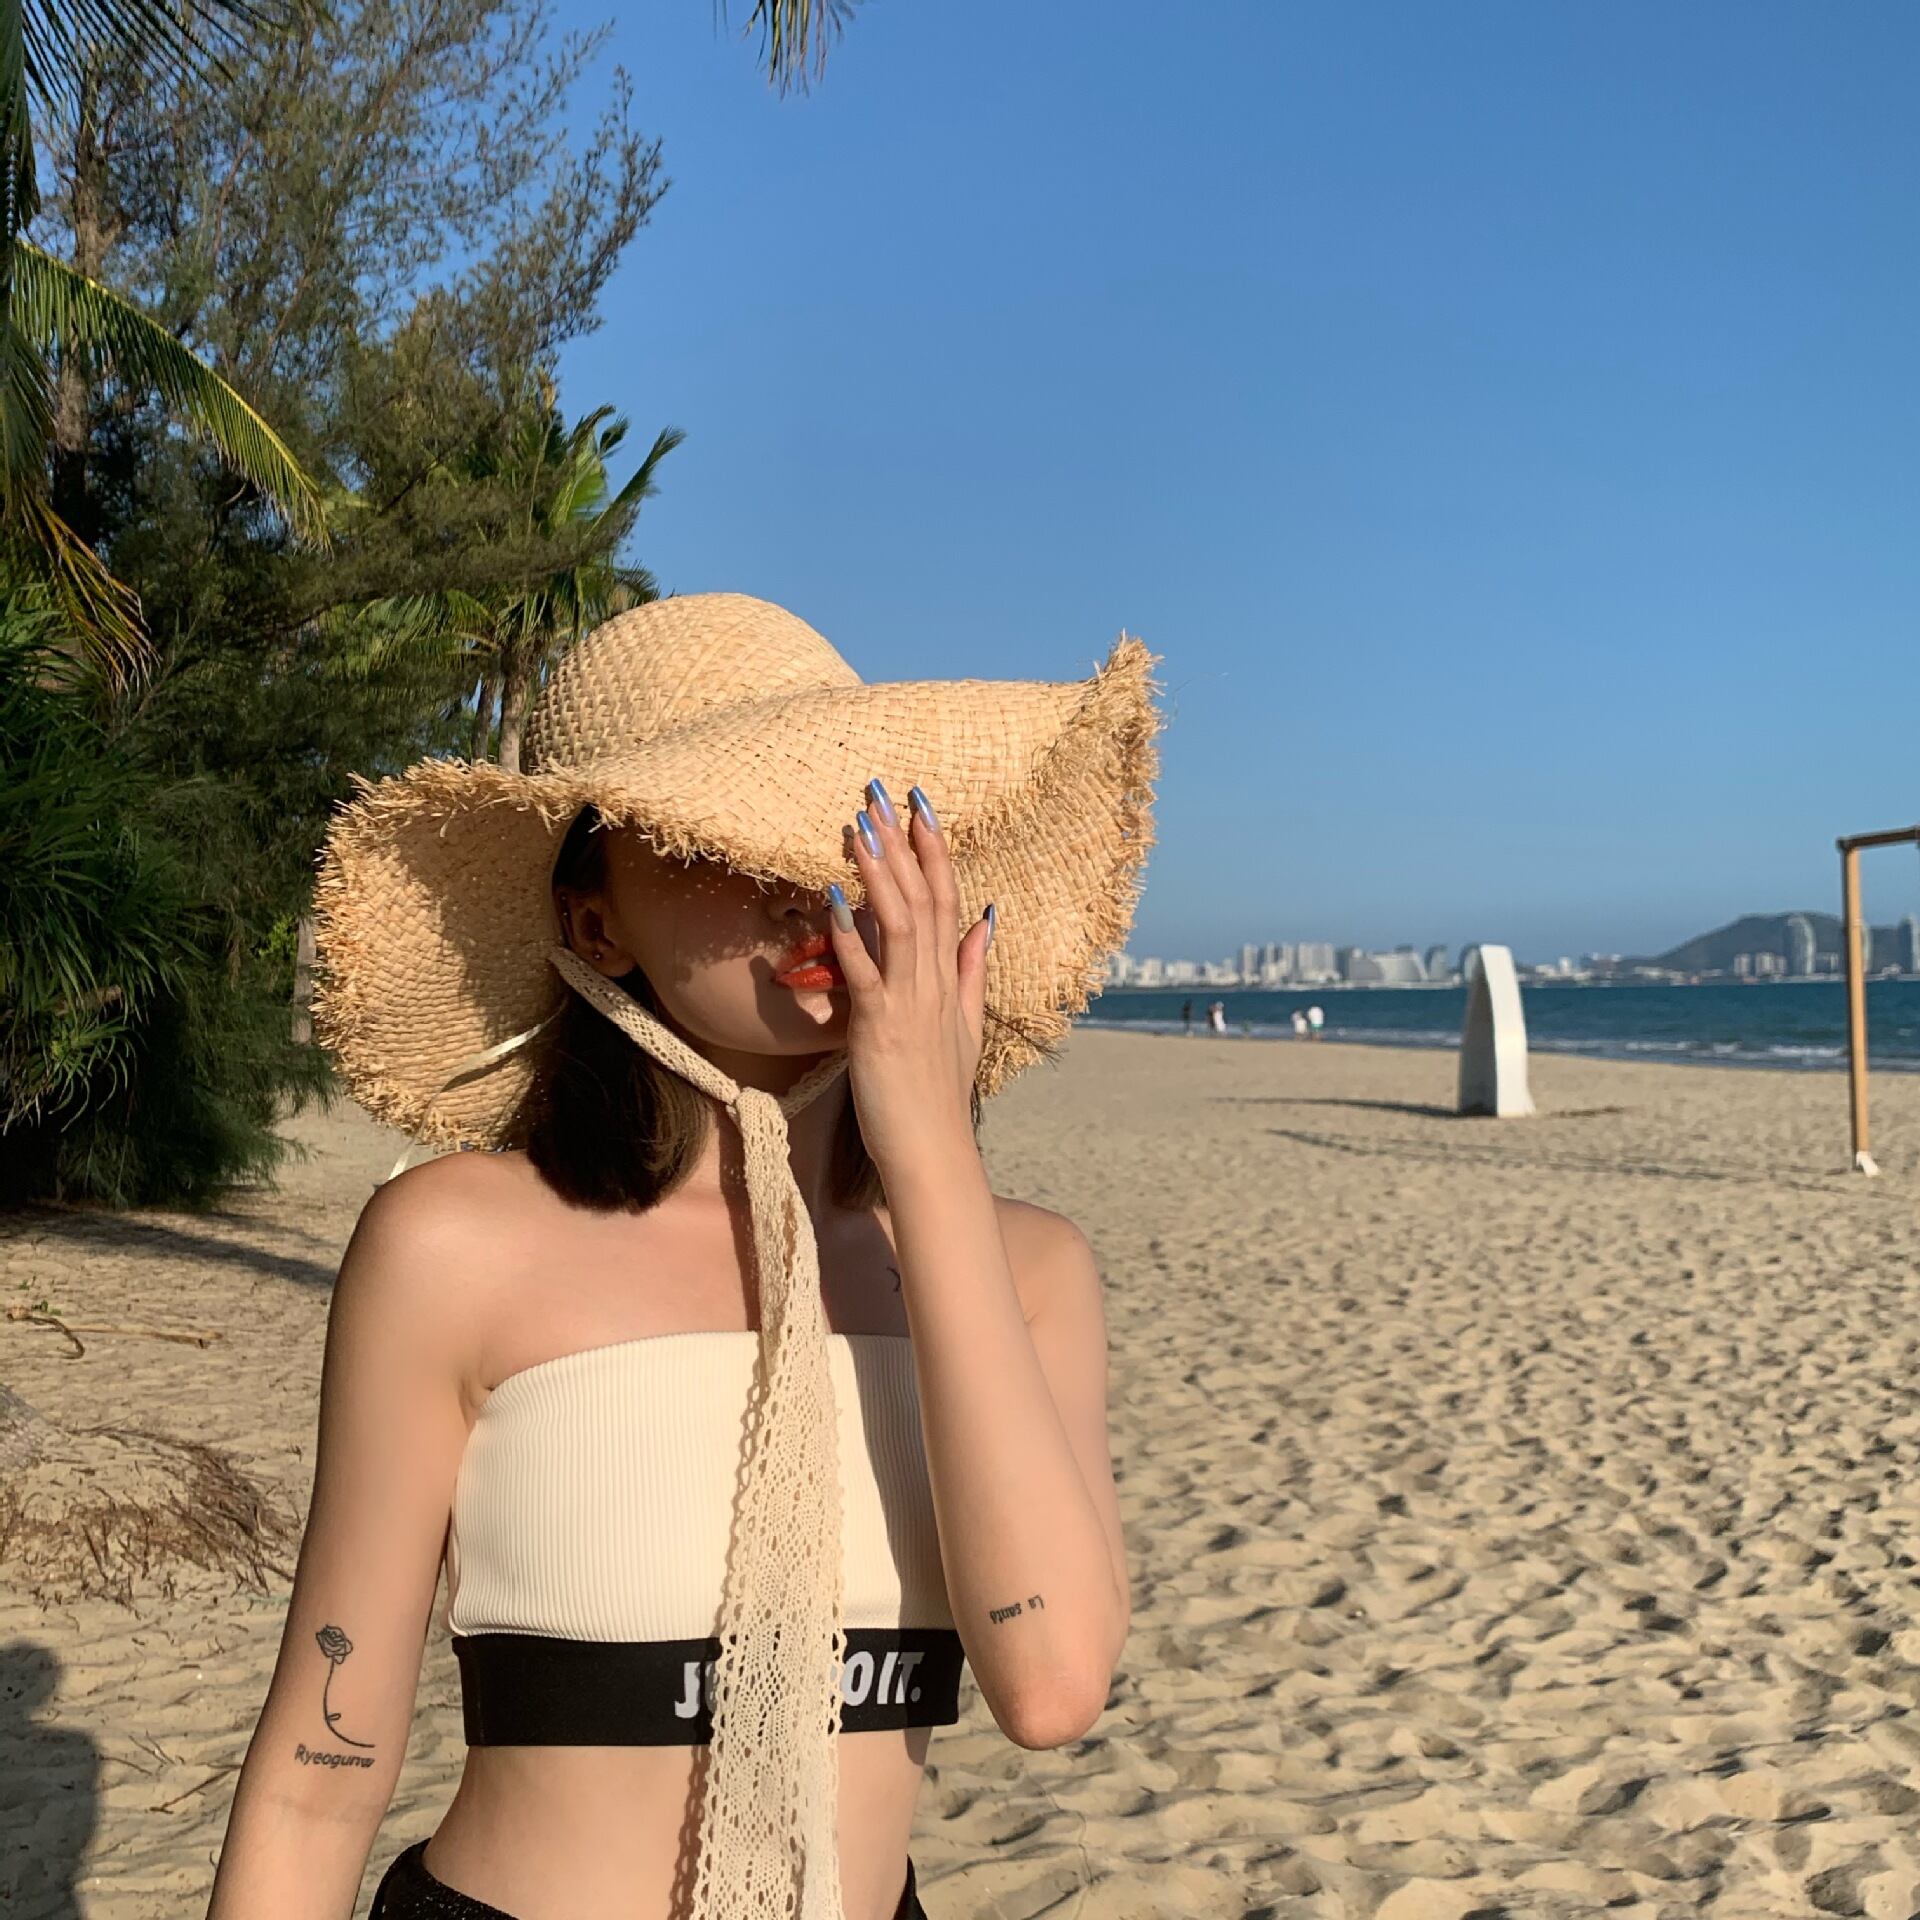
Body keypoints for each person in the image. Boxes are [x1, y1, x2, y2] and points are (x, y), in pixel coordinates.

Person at [205, 594, 1163, 1920]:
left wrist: (934, 1155)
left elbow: (1051, 1685)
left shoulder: (1027, 1273)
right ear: (595, 926)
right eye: (717, 837)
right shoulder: (457, 1247)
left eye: (832, 822)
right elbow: (320, 1779)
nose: (800, 880)